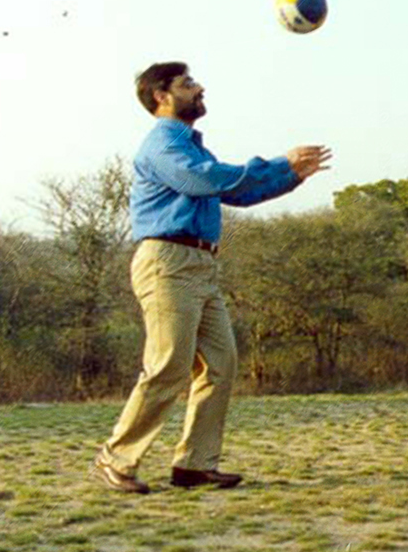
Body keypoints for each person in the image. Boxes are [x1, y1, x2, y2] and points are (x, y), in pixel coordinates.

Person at [92, 62, 332, 494]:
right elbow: (204, 180)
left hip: (200, 266)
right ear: (162, 97)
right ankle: (117, 458)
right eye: (187, 84)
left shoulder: (192, 147)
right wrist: (277, 160)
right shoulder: (163, 145)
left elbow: (235, 191)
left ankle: (194, 465)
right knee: (168, 365)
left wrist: (290, 176)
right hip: (168, 263)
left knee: (221, 365)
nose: (199, 88)